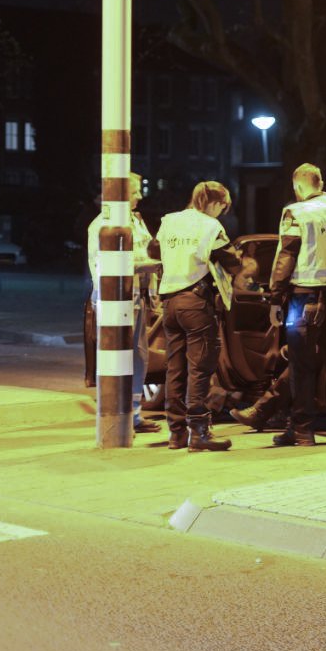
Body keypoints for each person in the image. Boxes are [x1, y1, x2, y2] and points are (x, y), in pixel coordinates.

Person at [269, 163, 326, 447]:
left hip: (305, 297)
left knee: (302, 366)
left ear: (298, 186)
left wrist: (275, 297)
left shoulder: (297, 213)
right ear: (320, 182)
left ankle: (302, 431)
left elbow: (287, 255)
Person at [154, 181, 240, 451]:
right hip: (195, 303)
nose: (221, 213)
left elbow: (153, 252)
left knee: (175, 369)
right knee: (199, 369)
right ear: (214, 203)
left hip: (169, 303)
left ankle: (176, 433)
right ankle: (200, 433)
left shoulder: (169, 221)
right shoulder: (210, 226)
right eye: (222, 208)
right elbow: (232, 262)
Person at [86, 173, 162, 433]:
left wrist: (153, 293)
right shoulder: (103, 226)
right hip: (116, 301)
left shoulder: (135, 222)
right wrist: (151, 266)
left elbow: (147, 250)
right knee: (117, 357)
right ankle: (115, 415)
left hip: (136, 297)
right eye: (134, 191)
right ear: (119, 194)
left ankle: (135, 414)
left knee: (139, 356)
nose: (140, 196)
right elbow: (111, 267)